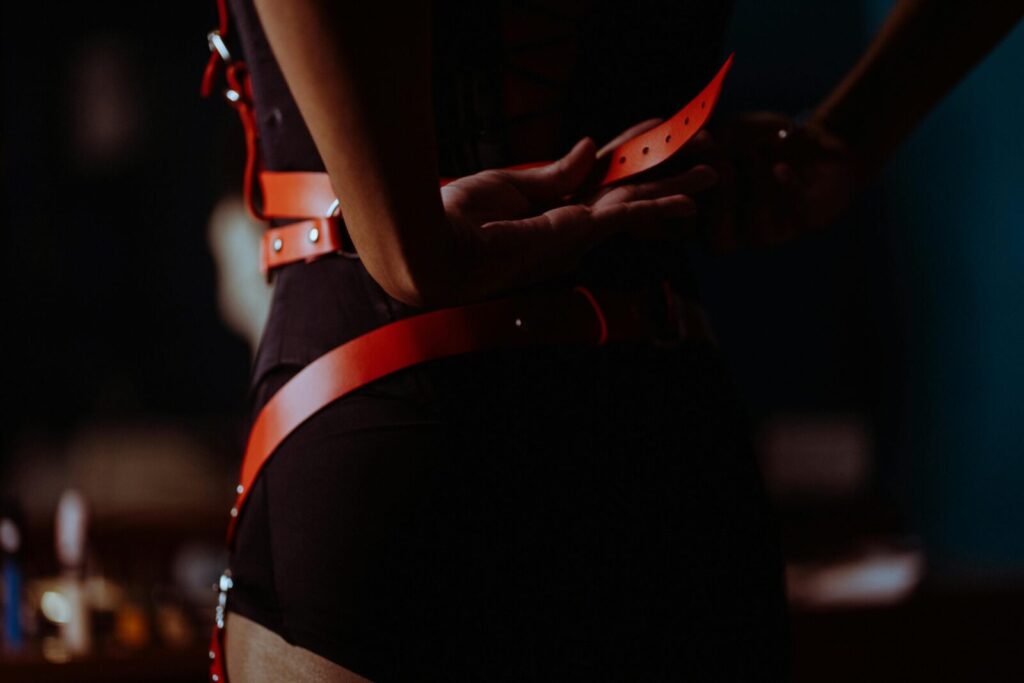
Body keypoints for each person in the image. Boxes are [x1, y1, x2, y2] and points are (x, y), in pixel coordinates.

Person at [215, 1, 1023, 680]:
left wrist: (406, 244)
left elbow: (405, 253)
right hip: (661, 441)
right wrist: (855, 133)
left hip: (384, 419)